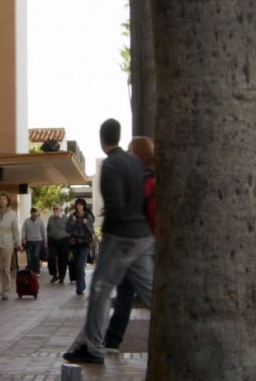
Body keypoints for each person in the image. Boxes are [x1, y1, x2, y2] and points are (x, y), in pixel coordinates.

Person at [64, 118, 154, 364]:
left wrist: (108, 238)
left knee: (100, 289)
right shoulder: (136, 162)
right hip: (143, 236)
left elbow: (114, 205)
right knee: (151, 291)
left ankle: (93, 348)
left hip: (121, 237)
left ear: (102, 139)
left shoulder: (111, 165)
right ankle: (179, 330)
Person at [103, 135, 155, 353]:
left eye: (131, 150)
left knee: (129, 292)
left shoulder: (141, 179)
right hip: (142, 241)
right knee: (130, 291)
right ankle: (112, 340)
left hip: (138, 241)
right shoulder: (148, 176)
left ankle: (113, 340)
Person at [66, 198, 95, 296]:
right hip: (74, 244)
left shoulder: (88, 216)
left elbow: (91, 231)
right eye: (77, 205)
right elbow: (67, 229)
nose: (78, 206)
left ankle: (80, 287)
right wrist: (72, 222)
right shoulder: (72, 216)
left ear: (83, 206)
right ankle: (81, 285)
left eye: (80, 205)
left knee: (80, 265)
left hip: (84, 244)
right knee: (77, 266)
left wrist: (86, 223)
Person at [46, 203, 70, 284]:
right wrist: (48, 238)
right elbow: (48, 229)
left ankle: (61, 277)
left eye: (57, 209)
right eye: (54, 209)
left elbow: (70, 229)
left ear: (61, 210)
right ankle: (54, 274)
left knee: (62, 260)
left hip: (63, 241)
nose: (55, 210)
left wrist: (68, 239)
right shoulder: (50, 218)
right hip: (52, 241)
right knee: (51, 258)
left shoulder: (65, 218)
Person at [22, 207, 47, 275]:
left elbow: (43, 232)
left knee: (36, 255)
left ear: (37, 213)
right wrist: (23, 238)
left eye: (35, 213)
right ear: (31, 213)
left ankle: (37, 271)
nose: (34, 215)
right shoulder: (26, 221)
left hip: (38, 241)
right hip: (29, 241)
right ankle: (31, 270)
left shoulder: (40, 221)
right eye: (33, 213)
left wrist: (45, 242)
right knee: (30, 257)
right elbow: (23, 230)